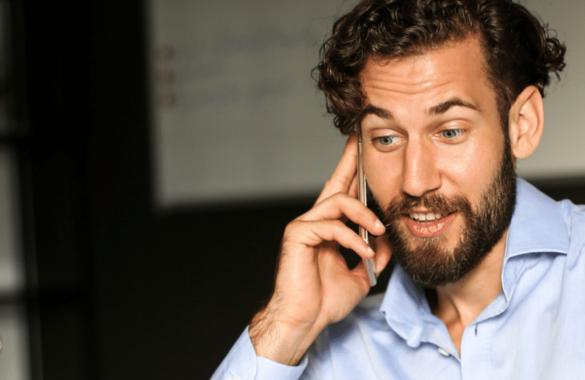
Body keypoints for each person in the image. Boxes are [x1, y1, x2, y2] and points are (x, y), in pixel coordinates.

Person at [212, 0, 585, 378]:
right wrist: (287, 326)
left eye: (450, 132)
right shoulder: (335, 351)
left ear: (522, 124)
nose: (415, 181)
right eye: (387, 139)